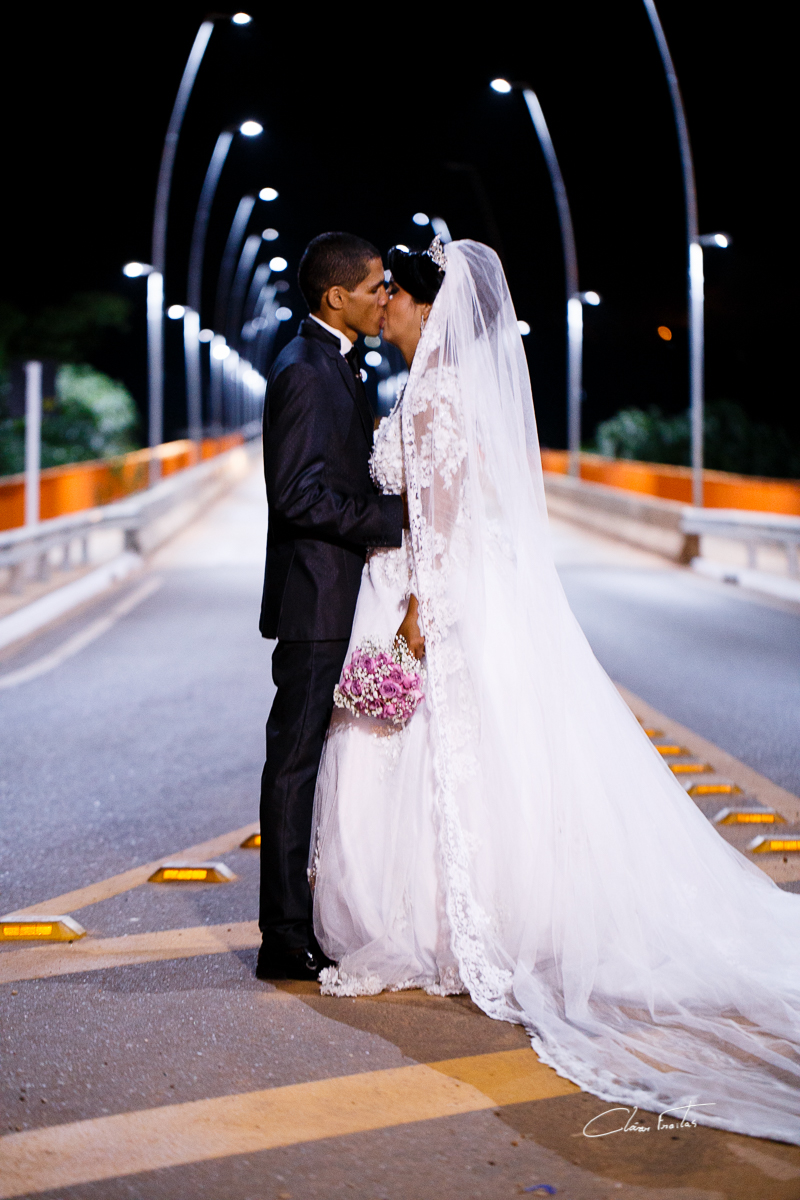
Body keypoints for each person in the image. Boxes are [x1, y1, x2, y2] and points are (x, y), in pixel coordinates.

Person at [310, 236, 800, 1143]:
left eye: (391, 294)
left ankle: (449, 921)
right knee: (473, 757)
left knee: (439, 756)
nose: (381, 306)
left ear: (423, 305)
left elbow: (446, 518)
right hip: (436, 586)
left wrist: (417, 613)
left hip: (433, 594)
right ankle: (456, 908)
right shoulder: (428, 387)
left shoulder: (436, 393)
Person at [257, 232, 404, 980]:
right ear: (335, 297)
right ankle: (281, 936)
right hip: (316, 598)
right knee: (294, 762)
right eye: (378, 285)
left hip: (339, 592)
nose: (388, 295)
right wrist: (391, 519)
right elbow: (298, 495)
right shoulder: (307, 371)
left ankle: (309, 913)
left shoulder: (333, 360)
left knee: (313, 760)